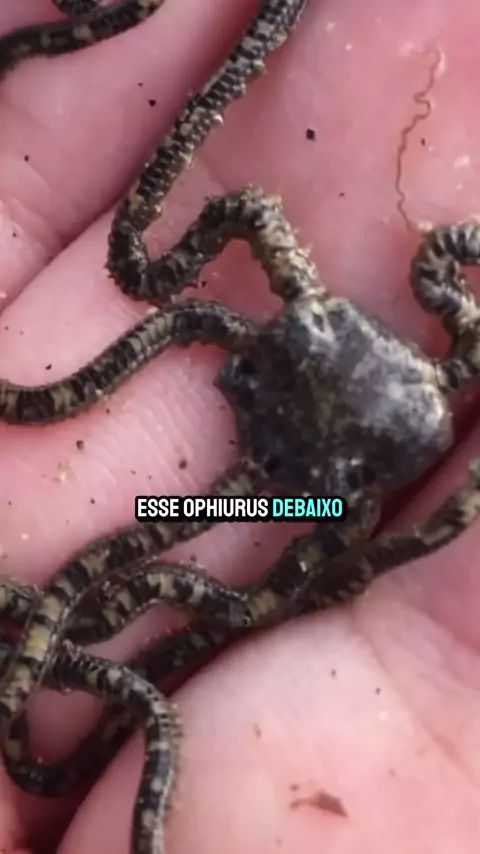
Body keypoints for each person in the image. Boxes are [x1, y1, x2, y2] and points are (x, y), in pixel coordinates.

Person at [0, 1, 479, 852]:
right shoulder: (315, 497)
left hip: (300, 497)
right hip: (299, 494)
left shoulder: (317, 506)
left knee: (186, 544)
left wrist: (285, 515)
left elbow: (249, 209)